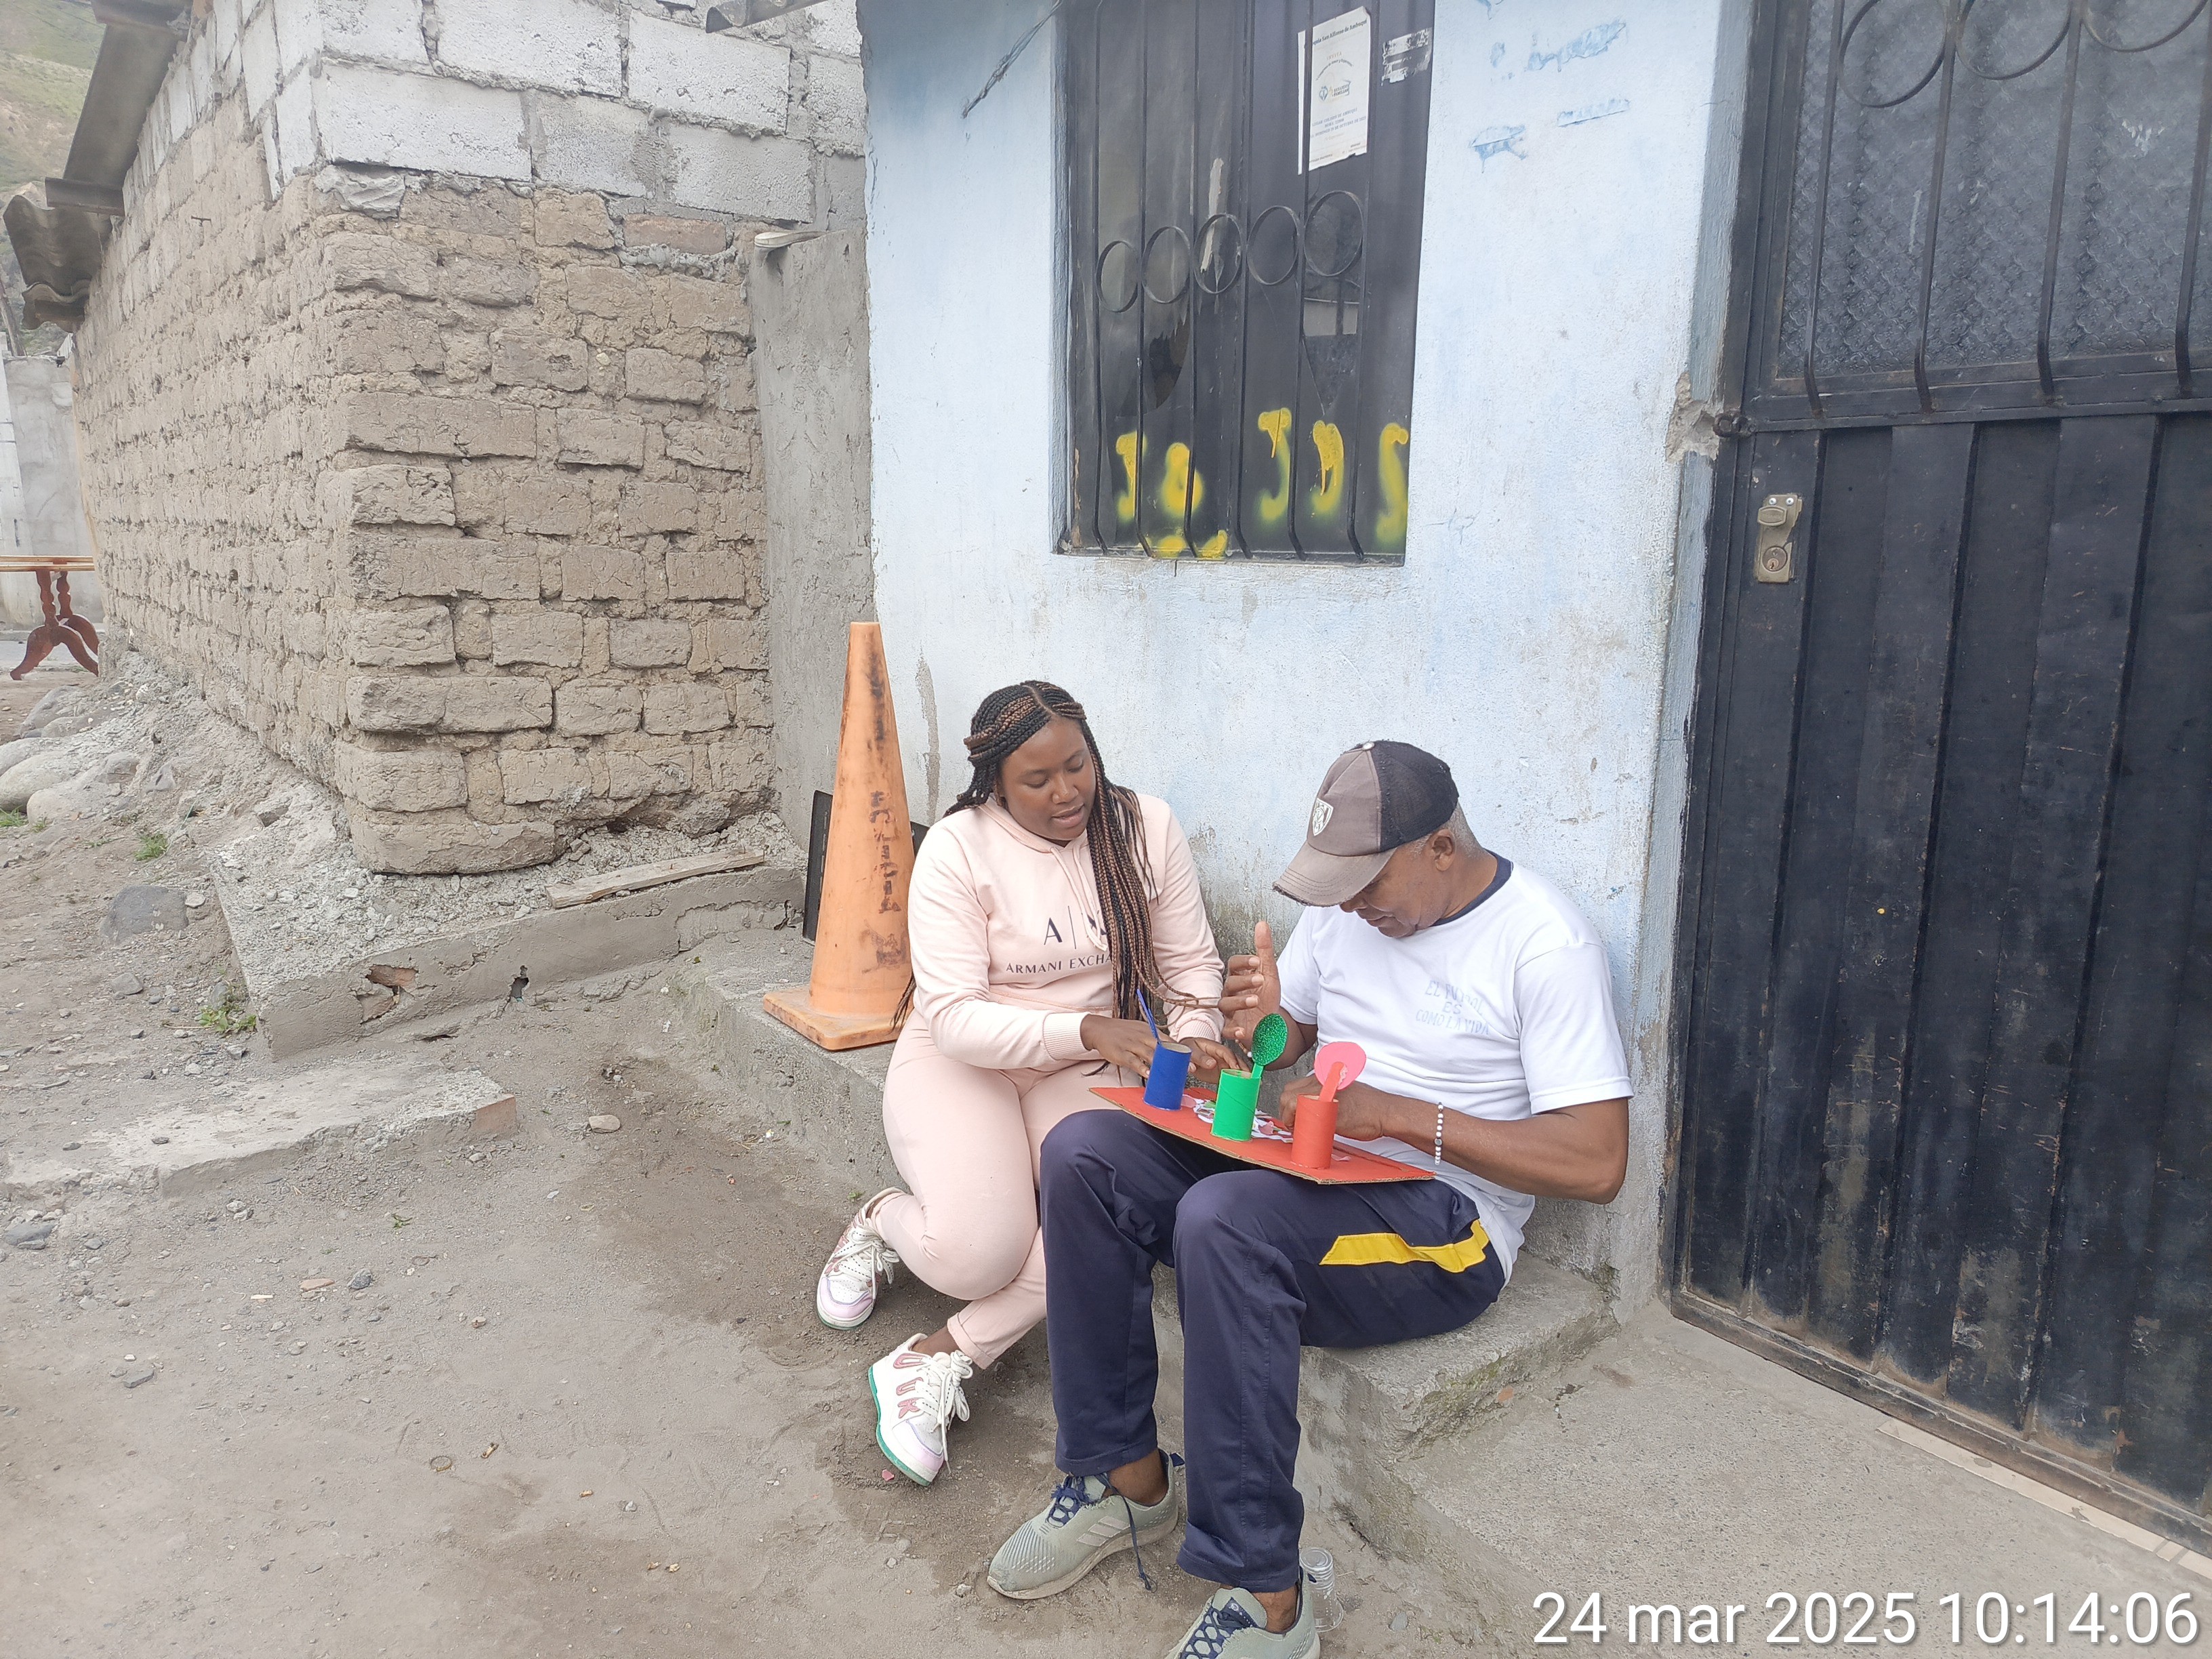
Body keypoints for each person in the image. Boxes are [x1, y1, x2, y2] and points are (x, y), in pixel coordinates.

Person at [985, 741, 1633, 1657]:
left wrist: (1401, 1117)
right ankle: (1125, 1481)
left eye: (1367, 885)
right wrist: (1267, 1032)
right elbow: (1297, 1037)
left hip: (1444, 1225)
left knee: (1224, 1224)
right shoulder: (1346, 911)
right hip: (1312, 1167)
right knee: (1085, 1151)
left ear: (1441, 847)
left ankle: (1269, 1597)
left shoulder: (1545, 943)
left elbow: (1598, 1164)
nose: (1352, 907)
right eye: (1338, 888)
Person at [812, 680, 1233, 1487]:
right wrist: (1086, 1028)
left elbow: (1188, 970)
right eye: (1037, 780)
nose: (1066, 792)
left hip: (1085, 1067)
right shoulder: (959, 848)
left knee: (1099, 1217)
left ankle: (939, 1357)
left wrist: (1193, 1042)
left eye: (1077, 766)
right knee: (976, 1257)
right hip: (966, 1061)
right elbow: (956, 1019)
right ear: (996, 784)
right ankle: (882, 1218)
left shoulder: (1144, 826)